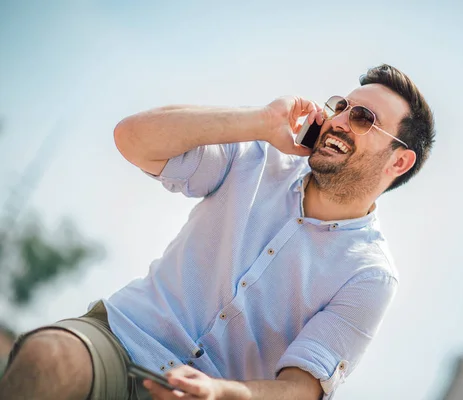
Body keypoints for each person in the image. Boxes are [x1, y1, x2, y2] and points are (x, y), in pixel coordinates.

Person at [0, 64, 435, 400]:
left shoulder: (370, 276)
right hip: (122, 339)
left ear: (398, 162)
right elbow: (131, 138)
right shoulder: (258, 157)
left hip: (207, 394)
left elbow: (300, 389)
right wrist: (261, 121)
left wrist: (221, 392)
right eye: (340, 106)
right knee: (48, 357)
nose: (339, 119)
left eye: (362, 118)